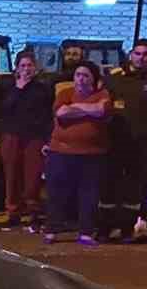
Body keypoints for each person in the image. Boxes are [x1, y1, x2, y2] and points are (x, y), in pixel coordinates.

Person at [103, 39, 147, 240]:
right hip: (114, 138)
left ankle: (127, 228)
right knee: (109, 182)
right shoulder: (113, 77)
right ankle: (104, 227)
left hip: (141, 141)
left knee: (134, 185)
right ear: (131, 54)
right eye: (138, 53)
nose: (141, 58)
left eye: (146, 54)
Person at [45, 60, 112, 245]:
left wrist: (76, 108)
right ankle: (52, 229)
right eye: (78, 75)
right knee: (57, 192)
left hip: (92, 154)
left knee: (88, 193)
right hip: (61, 151)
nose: (81, 79)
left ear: (94, 79)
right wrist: (88, 110)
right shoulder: (65, 93)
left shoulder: (103, 94)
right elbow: (61, 113)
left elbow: (101, 110)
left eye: (85, 76)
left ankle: (86, 232)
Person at [0, 51, 53, 230]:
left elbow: (47, 115)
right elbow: (4, 109)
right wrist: (19, 88)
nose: (26, 69)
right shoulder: (8, 86)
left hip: (35, 137)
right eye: (23, 66)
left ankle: (33, 212)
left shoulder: (43, 88)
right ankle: (13, 212)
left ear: (35, 68)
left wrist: (47, 139)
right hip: (12, 135)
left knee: (33, 177)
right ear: (16, 67)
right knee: (12, 175)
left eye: (29, 65)